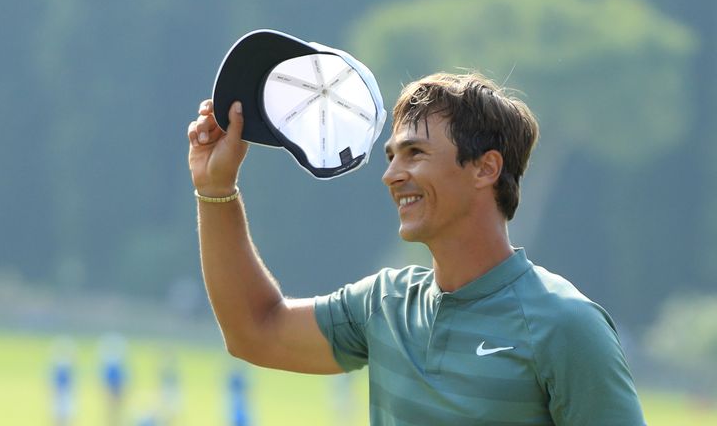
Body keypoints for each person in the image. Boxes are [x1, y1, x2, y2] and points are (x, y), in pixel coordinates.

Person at [186, 72, 646, 425]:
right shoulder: (384, 303)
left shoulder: (566, 326)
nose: (391, 175)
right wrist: (215, 188)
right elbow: (254, 331)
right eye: (391, 156)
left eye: (415, 154)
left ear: (485, 169)